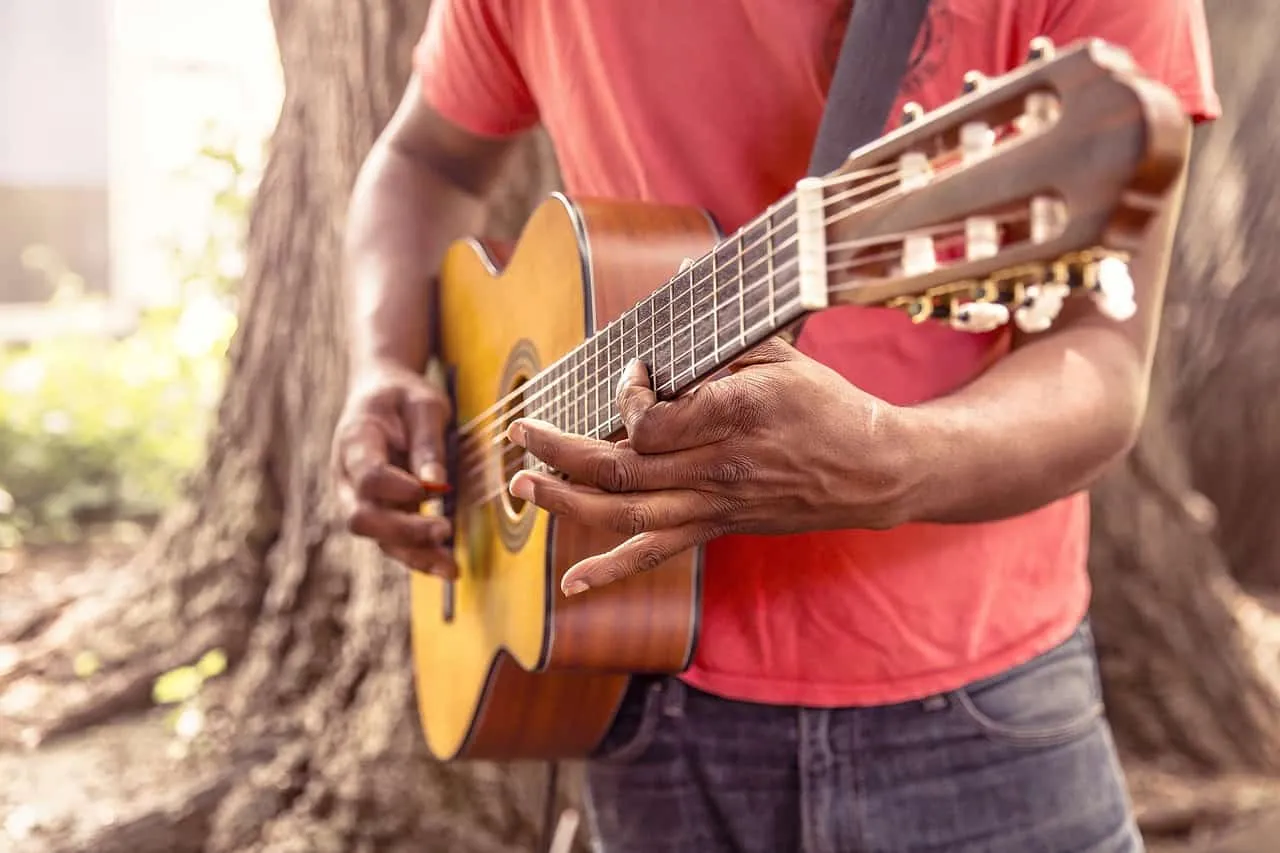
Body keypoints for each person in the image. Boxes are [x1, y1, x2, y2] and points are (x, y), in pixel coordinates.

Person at [332, 1, 1220, 850]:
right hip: (627, 681)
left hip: (974, 706)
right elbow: (428, 161)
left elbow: (1101, 361)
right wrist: (382, 363)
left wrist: (894, 460)